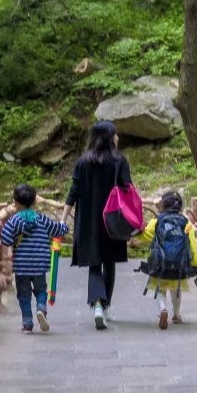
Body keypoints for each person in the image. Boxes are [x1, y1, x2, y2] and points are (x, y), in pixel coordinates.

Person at [64, 120, 131, 330]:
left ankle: (98, 305)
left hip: (88, 221)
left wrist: (63, 218)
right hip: (112, 220)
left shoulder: (83, 162)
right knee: (109, 263)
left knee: (94, 263)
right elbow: (127, 189)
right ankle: (106, 304)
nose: (118, 137)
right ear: (109, 137)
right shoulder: (119, 161)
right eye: (116, 134)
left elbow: (73, 192)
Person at [0, 184, 68, 333]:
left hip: (22, 266)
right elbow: (58, 230)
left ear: (15, 203)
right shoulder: (41, 219)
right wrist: (64, 226)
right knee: (41, 289)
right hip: (39, 264)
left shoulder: (14, 221)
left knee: (24, 295)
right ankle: (41, 308)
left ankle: (27, 323)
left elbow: (5, 239)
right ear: (34, 202)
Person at [136, 190, 197, 330]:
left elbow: (145, 236)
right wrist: (195, 264)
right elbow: (192, 244)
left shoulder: (157, 221)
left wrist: (134, 236)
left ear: (163, 206)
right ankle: (176, 314)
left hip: (161, 266)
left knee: (160, 289)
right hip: (179, 267)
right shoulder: (186, 222)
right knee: (176, 288)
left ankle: (163, 308)